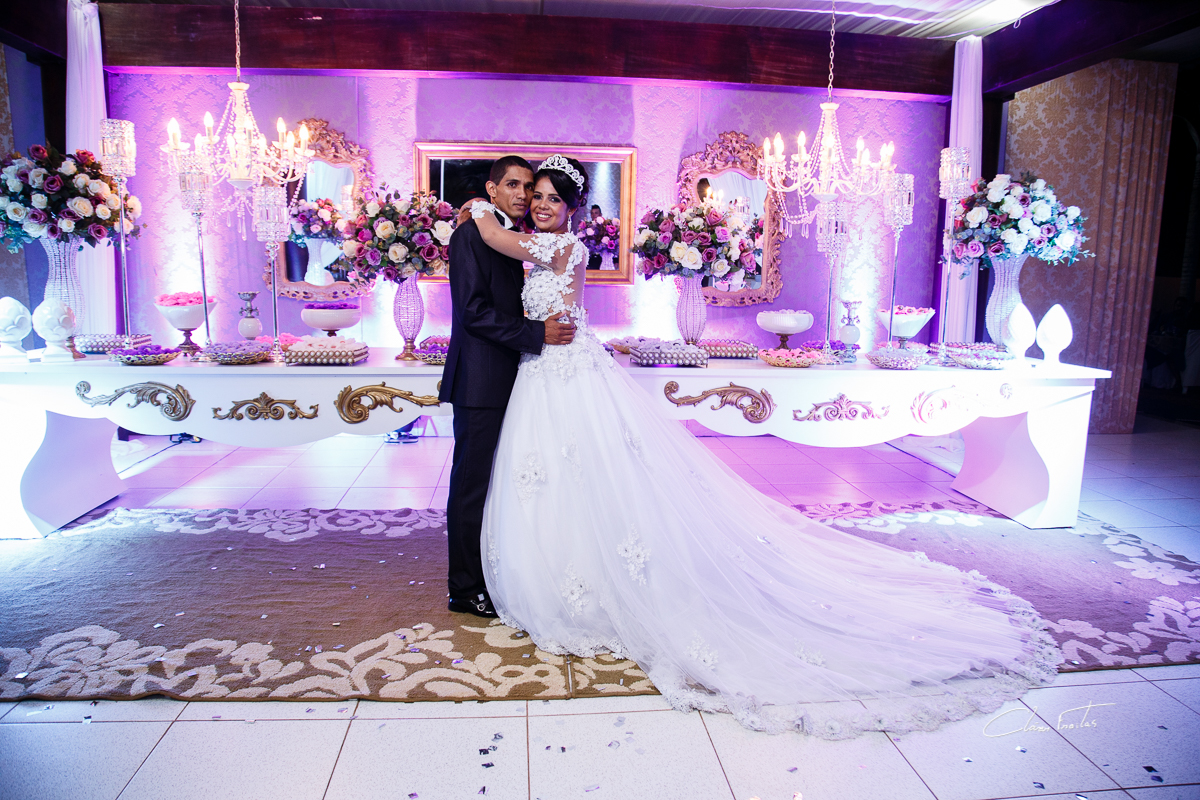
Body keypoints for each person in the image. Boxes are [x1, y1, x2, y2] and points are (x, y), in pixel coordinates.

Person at [466, 155, 1061, 738]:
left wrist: (478, 211)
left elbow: (503, 243)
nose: (540, 206)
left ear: (571, 209)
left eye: (551, 198)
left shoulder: (560, 246)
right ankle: (562, 567)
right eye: (535, 196)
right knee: (556, 477)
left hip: (567, 369)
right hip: (542, 369)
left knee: (590, 471)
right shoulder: (538, 242)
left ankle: (597, 583)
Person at [439, 155, 576, 618]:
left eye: (532, 189)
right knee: (472, 485)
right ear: (492, 189)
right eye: (516, 186)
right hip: (480, 380)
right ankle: (465, 588)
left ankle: (496, 573)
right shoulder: (471, 234)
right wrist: (536, 335)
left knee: (502, 483)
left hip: (513, 377)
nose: (524, 196)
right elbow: (474, 312)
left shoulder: (510, 234)